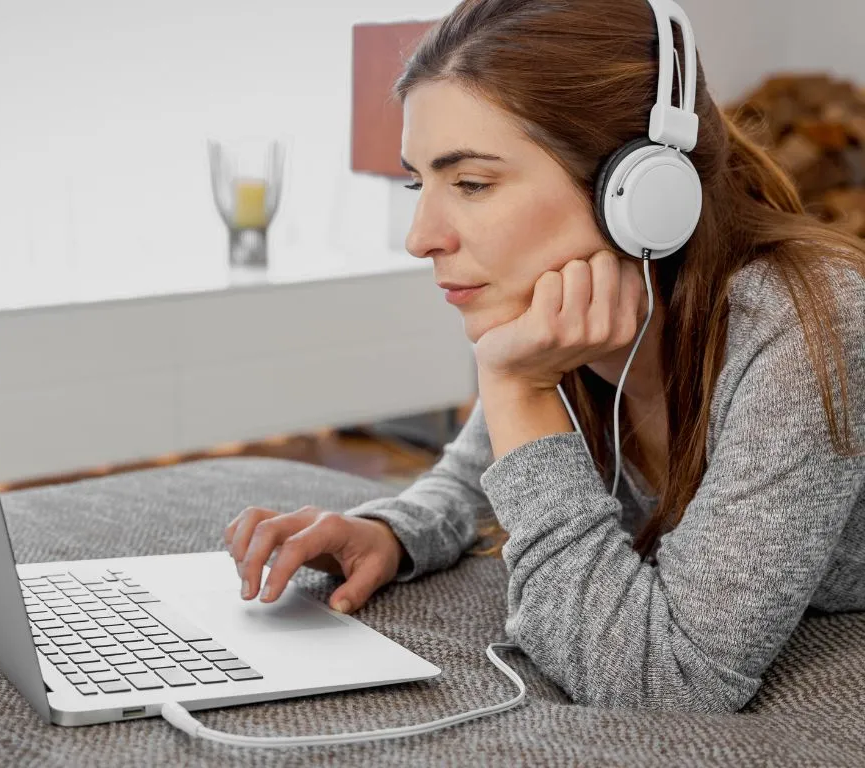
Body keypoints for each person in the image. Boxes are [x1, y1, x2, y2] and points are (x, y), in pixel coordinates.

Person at [223, 0, 865, 713]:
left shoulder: (805, 324)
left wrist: (519, 392)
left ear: (642, 192)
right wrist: (391, 531)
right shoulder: (566, 322)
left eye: (470, 183)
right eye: (418, 183)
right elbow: (474, 475)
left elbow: (669, 685)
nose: (421, 237)